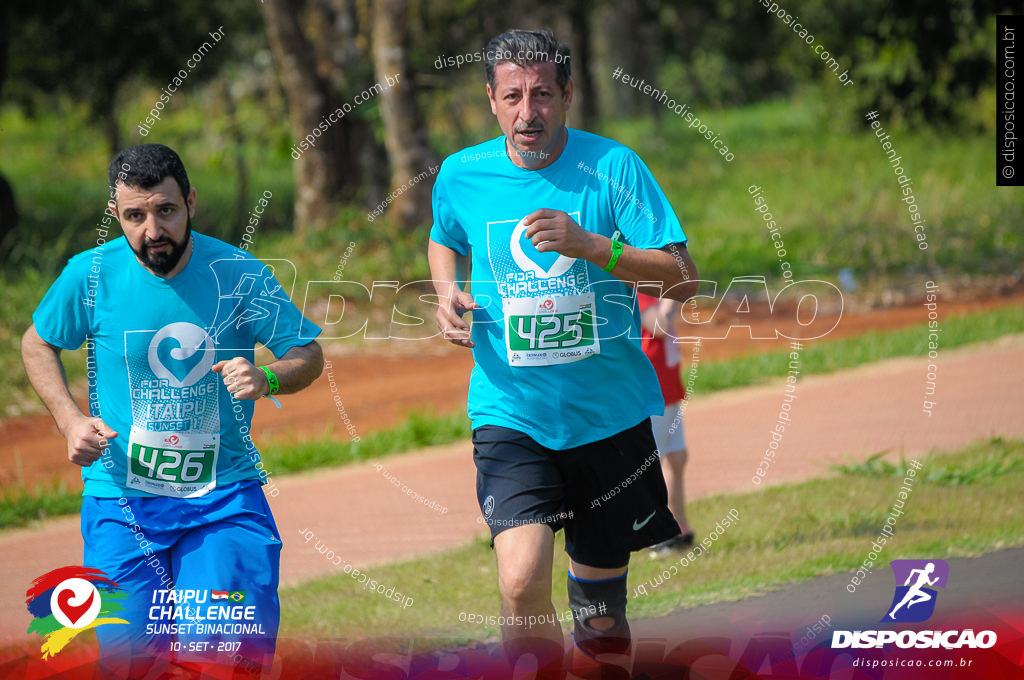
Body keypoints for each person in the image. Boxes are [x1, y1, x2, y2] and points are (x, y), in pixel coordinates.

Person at [427, 29, 698, 670]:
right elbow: (444, 237)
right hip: (510, 413)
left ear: (567, 95)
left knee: (600, 615)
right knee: (520, 581)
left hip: (609, 418)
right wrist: (446, 292)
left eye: (543, 94)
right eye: (514, 96)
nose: (529, 112)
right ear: (491, 100)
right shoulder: (461, 174)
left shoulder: (614, 168)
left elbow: (682, 275)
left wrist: (592, 245)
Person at [21, 144, 323, 677]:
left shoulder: (238, 273)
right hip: (122, 504)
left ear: (191, 202)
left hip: (222, 500)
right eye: (135, 216)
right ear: (117, 215)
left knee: (220, 656)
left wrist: (268, 376)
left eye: (166, 211)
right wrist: (70, 420)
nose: (152, 230)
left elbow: (307, 353)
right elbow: (38, 342)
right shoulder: (90, 275)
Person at [637, 292, 695, 557]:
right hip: (653, 393)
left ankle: (678, 527)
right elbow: (658, 327)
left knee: (678, 457)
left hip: (669, 391)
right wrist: (674, 293)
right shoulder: (638, 293)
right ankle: (655, 536)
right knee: (653, 463)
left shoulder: (655, 291)